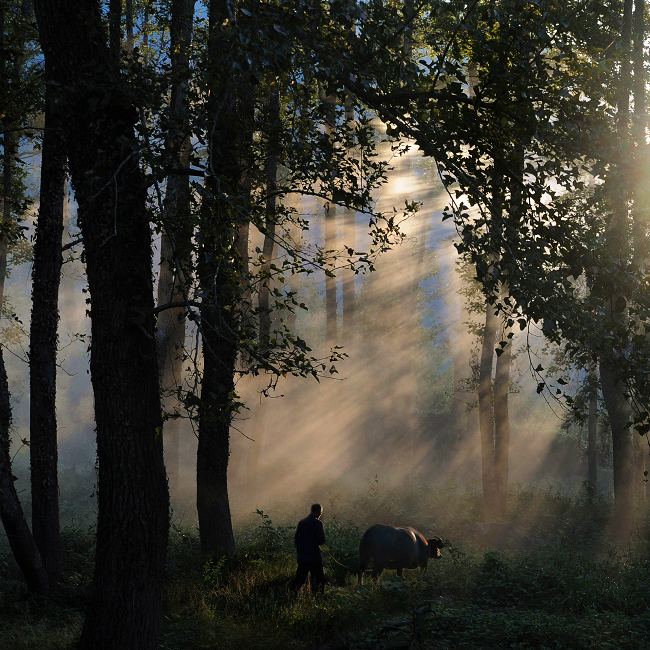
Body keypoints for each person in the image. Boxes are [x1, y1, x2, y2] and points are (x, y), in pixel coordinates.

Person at [293, 503, 326, 593]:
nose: (320, 515)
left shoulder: (302, 522)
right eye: (320, 513)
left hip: (303, 557)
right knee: (318, 580)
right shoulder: (318, 523)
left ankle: (293, 596)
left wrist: (300, 552)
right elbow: (321, 540)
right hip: (314, 557)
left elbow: (296, 540)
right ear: (316, 511)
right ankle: (317, 599)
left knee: (299, 579)